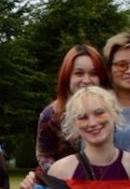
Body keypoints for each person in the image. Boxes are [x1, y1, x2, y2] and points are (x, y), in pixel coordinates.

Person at [21, 87, 130, 189]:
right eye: (82, 117)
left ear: (115, 114)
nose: (92, 123)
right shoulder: (60, 171)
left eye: (99, 113)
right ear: (74, 124)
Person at [35, 45, 108, 175]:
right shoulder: (51, 115)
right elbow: (44, 156)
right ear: (67, 76)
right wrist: (64, 176)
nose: (86, 80)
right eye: (79, 73)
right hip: (64, 187)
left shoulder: (111, 110)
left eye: (94, 73)